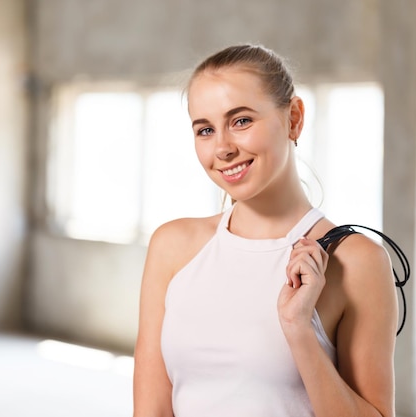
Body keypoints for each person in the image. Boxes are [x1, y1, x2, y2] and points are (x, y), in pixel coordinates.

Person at [133, 44, 398, 417]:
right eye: (205, 129)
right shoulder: (173, 247)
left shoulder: (356, 261)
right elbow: (151, 410)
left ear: (293, 118)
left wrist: (299, 330)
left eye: (241, 121)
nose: (222, 148)